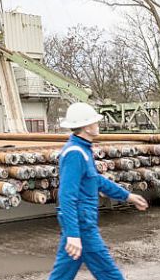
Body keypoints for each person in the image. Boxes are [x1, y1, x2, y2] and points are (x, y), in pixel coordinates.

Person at [48, 102, 149, 280]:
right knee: (109, 273)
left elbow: (96, 181)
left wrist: (128, 196)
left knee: (62, 275)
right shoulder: (75, 153)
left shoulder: (83, 150)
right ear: (86, 127)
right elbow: (66, 196)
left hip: (81, 223)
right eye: (95, 121)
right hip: (82, 225)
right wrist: (73, 234)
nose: (98, 124)